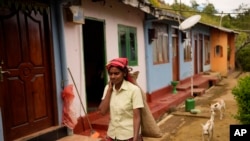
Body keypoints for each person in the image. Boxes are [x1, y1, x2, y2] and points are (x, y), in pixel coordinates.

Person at [98, 58, 144, 141]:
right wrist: (109, 91)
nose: (113, 76)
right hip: (112, 135)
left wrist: (135, 138)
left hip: (129, 136)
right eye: (110, 74)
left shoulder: (134, 90)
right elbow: (102, 111)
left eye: (116, 73)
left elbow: (137, 117)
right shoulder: (108, 88)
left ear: (124, 73)